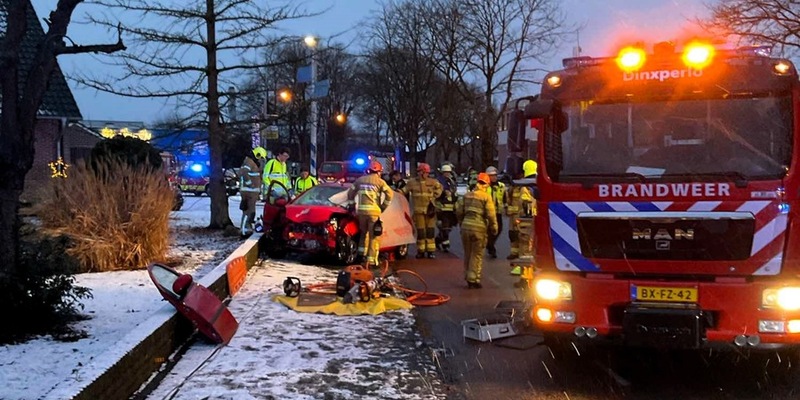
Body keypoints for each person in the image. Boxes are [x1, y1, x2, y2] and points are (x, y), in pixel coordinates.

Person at [347, 160, 394, 267]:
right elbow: (390, 194)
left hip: (361, 213)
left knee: (363, 233)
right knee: (374, 236)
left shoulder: (360, 180)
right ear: (378, 171)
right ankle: (371, 261)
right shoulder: (380, 182)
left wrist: (352, 205)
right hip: (374, 213)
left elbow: (350, 193)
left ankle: (361, 256)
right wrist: (383, 207)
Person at [456, 172, 498, 289]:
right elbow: (491, 214)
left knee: (468, 253)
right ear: (486, 184)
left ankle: (467, 276)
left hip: (466, 227)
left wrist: (461, 223)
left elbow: (459, 211)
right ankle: (473, 279)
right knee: (477, 254)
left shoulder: (467, 195)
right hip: (479, 228)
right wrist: (494, 227)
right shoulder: (486, 197)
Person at [401, 163, 443, 259]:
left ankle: (431, 251)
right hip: (418, 212)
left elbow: (440, 188)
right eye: (423, 172)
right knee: (421, 232)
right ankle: (421, 251)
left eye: (426, 172)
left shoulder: (433, 182)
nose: (425, 174)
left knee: (430, 231)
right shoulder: (412, 182)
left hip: (430, 212)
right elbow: (404, 191)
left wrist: (435, 195)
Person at [505, 160, 535, 259]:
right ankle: (515, 254)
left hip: (524, 217)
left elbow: (526, 203)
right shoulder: (514, 187)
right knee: (514, 236)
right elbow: (509, 201)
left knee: (525, 240)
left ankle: (523, 259)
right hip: (516, 216)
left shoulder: (525, 188)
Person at [238, 146, 267, 235]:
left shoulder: (252, 163)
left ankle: (247, 228)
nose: (261, 160)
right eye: (261, 158)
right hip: (248, 191)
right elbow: (244, 173)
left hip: (252, 192)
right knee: (248, 211)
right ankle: (244, 230)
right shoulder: (249, 162)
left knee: (251, 211)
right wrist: (250, 184)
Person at [435, 163, 458, 253]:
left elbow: (454, 192)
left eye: (449, 172)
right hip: (442, 208)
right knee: (445, 227)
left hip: (451, 208)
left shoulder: (451, 181)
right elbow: (436, 194)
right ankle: (445, 245)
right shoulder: (438, 181)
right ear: (442, 172)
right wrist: (444, 193)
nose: (448, 174)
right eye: (446, 172)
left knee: (449, 227)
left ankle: (437, 240)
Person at [484, 166, 506, 258]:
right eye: (491, 176)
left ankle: (490, 244)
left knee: (498, 229)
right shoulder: (484, 186)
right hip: (487, 212)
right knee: (488, 230)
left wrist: (506, 206)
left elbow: (504, 197)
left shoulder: (501, 186)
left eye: (495, 175)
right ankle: (491, 248)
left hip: (497, 212)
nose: (494, 177)